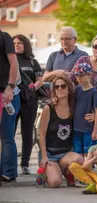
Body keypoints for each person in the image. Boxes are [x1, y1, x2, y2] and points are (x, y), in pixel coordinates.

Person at [38, 75, 83, 188]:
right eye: (56, 87)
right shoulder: (49, 108)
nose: (59, 89)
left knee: (79, 159)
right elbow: (41, 135)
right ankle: (48, 171)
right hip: (49, 154)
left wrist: (92, 116)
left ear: (69, 89)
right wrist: (44, 157)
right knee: (55, 182)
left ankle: (65, 171)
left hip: (65, 153)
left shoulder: (74, 107)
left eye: (63, 86)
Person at [13, 34, 43, 175]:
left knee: (27, 133)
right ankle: (9, 164)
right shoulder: (9, 60)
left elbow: (40, 80)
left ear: (25, 45)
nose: (16, 45)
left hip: (29, 101)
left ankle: (25, 164)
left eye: (19, 43)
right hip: (13, 99)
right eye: (14, 43)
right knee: (9, 133)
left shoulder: (32, 62)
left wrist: (34, 87)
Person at [0, 30, 19, 184]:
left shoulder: (4, 37)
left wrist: (10, 87)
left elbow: (14, 63)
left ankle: (9, 172)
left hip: (6, 94)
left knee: (6, 136)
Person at [72, 63, 97, 156]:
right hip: (77, 128)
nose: (78, 78)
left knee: (89, 153)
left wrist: (95, 130)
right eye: (77, 76)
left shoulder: (93, 92)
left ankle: (89, 169)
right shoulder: (77, 90)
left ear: (89, 75)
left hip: (88, 129)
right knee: (78, 153)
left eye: (81, 75)